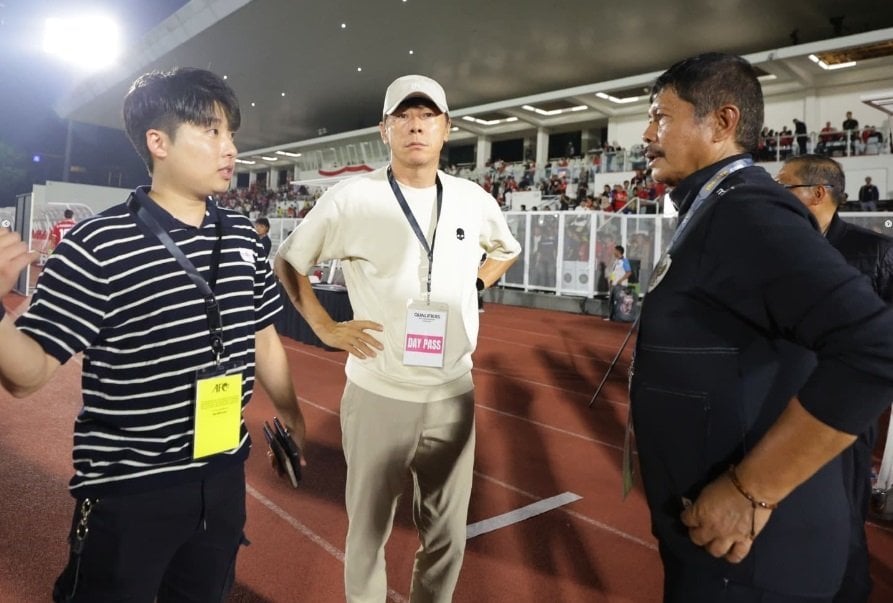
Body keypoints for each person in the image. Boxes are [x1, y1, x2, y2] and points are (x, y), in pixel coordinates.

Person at [0, 67, 306, 602]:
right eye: (211, 131)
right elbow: (26, 376)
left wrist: (295, 415)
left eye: (230, 133)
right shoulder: (99, 244)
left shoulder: (242, 236)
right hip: (129, 489)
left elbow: (263, 337)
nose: (229, 147)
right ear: (158, 142)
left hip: (223, 476)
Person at [631, 52, 893, 602]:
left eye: (661, 117)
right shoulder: (719, 206)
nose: (648, 133)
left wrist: (752, 491)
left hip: (750, 562)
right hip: (731, 552)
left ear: (723, 122)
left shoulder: (746, 210)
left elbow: (875, 346)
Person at [275, 74, 520, 602]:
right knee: (368, 535)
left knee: (448, 536)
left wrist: (474, 282)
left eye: (427, 115)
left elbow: (505, 249)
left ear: (446, 128)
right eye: (403, 116)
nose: (416, 125)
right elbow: (289, 259)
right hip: (378, 391)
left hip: (453, 394)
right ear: (384, 130)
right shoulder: (351, 198)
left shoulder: (471, 198)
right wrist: (323, 325)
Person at [777, 154, 893, 602]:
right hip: (784, 399)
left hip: (845, 409)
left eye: (784, 186)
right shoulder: (780, 248)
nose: (775, 194)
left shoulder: (877, 251)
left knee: (843, 513)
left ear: (817, 193)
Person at [603, 244, 632, 321]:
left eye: (615, 250)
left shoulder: (624, 261)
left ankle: (619, 316)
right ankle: (611, 316)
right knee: (611, 301)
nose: (613, 252)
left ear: (618, 251)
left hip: (620, 285)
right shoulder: (616, 261)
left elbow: (628, 272)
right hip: (614, 284)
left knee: (619, 301)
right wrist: (611, 280)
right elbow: (614, 272)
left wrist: (620, 280)